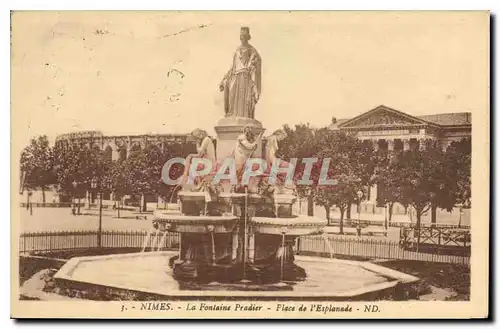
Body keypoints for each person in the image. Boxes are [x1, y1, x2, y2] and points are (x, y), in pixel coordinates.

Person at [219, 27, 262, 119]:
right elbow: (232, 67)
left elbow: (257, 61)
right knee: (231, 95)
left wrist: (252, 64)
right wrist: (223, 79)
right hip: (235, 75)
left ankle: (244, 116)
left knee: (244, 100)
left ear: (248, 37)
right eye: (241, 35)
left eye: (244, 35)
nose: (242, 37)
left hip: (245, 76)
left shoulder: (251, 49)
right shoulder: (237, 50)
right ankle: (231, 115)